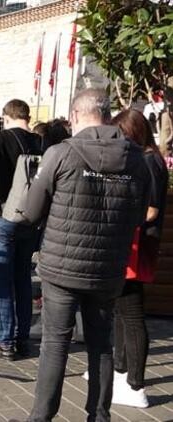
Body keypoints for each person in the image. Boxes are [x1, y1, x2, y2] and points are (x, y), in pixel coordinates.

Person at [18, 89, 151, 422]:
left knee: (55, 345)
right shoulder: (137, 159)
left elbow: (31, 212)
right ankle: (99, 416)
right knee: (101, 344)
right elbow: (138, 216)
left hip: (62, 267)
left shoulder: (60, 153)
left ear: (75, 116)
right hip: (109, 268)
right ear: (106, 116)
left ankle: (41, 418)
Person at [107, 109, 167, 408]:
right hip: (132, 243)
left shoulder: (148, 161)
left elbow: (152, 209)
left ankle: (136, 385)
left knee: (131, 314)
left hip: (137, 244)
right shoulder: (146, 158)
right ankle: (121, 370)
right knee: (122, 311)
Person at [0, 99, 42, 360]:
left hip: (2, 214)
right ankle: (23, 337)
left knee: (3, 278)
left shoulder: (2, 138)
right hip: (31, 217)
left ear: (6, 117)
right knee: (23, 278)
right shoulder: (39, 141)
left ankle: (6, 341)